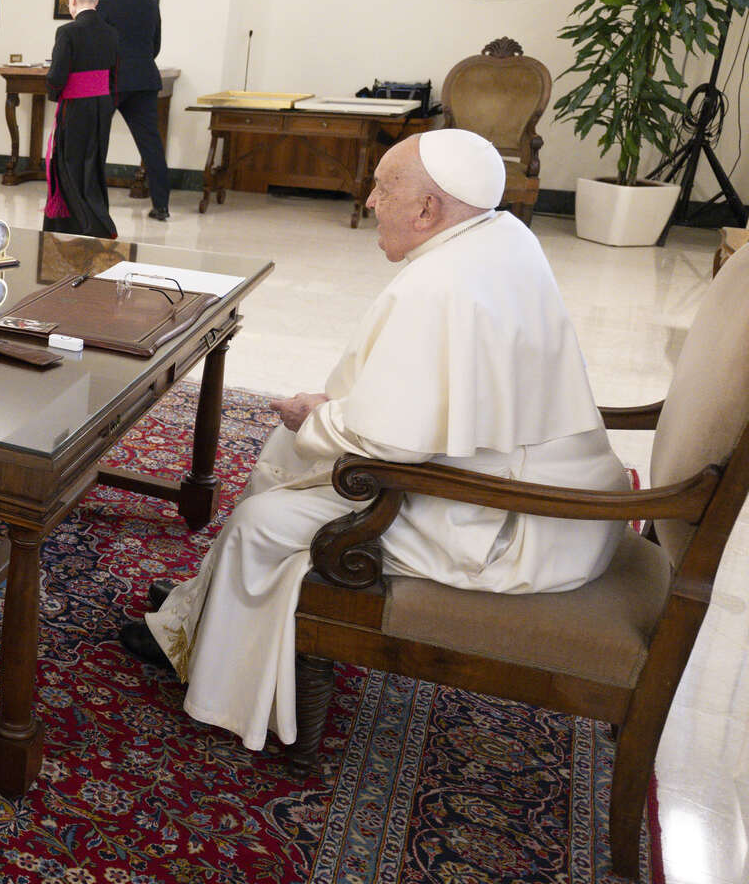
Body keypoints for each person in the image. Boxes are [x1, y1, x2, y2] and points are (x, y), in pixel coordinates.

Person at [118, 130, 628, 752]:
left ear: (427, 209)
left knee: (263, 520)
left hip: (505, 523)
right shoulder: (502, 235)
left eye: (383, 188)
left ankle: (213, 678)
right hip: (538, 489)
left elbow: (392, 447)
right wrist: (324, 419)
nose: (369, 200)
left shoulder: (440, 286)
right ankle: (198, 613)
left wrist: (317, 416)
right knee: (285, 454)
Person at [43, 0, 121, 239]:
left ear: (72, 0)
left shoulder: (67, 32)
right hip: (101, 107)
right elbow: (115, 76)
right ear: (97, 1)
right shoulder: (111, 32)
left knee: (70, 163)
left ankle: (80, 225)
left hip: (76, 107)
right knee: (94, 164)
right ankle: (98, 219)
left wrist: (54, 93)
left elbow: (57, 75)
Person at [98, 0, 170, 221]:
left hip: (113, 80)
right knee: (151, 144)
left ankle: (97, 204)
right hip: (145, 79)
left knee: (98, 140)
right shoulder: (150, 2)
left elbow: (99, 43)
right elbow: (155, 44)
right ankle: (161, 206)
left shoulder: (105, 3)